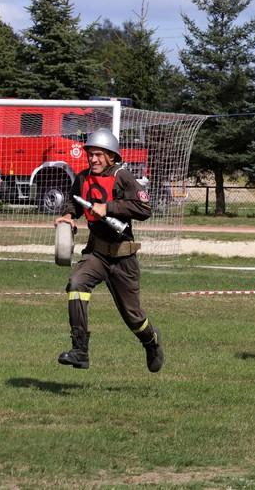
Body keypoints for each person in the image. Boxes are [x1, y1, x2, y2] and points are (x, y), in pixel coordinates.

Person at [53, 128, 164, 372]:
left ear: (111, 156)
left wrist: (109, 207)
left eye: (98, 155)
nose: (93, 159)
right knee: (76, 284)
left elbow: (144, 209)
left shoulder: (122, 176)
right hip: (96, 253)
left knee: (133, 317)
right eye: (90, 154)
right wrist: (69, 216)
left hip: (123, 258)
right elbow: (74, 202)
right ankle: (80, 351)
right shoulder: (82, 178)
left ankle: (151, 341)